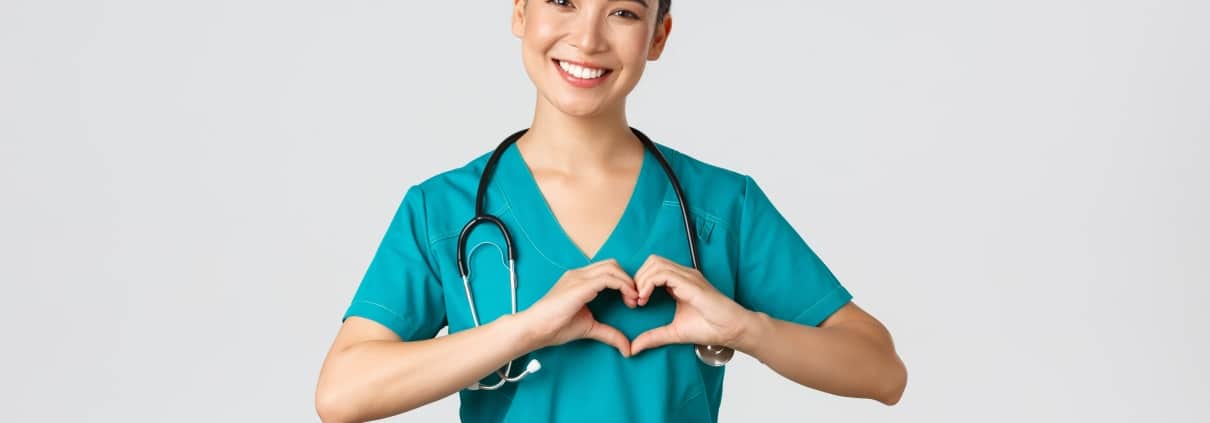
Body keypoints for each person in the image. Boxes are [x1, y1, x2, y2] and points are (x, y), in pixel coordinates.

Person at [315, 1, 907, 421]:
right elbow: (342, 394)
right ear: (520, 12)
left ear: (658, 34)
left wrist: (747, 330)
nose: (589, 38)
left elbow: (882, 371)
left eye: (622, 11)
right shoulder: (441, 210)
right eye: (562, 1)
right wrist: (525, 329)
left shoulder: (722, 207)